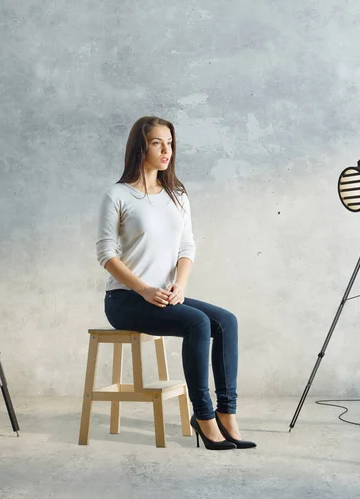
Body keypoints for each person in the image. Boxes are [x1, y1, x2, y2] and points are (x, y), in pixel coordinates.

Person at [96, 116, 256, 451]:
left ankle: (228, 413)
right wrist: (144, 289)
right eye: (157, 142)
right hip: (126, 299)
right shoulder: (118, 195)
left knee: (227, 322)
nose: (167, 150)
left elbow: (187, 247)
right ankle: (204, 416)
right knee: (197, 323)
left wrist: (179, 286)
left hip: (166, 295)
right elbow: (106, 254)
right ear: (141, 147)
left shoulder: (177, 194)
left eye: (170, 142)